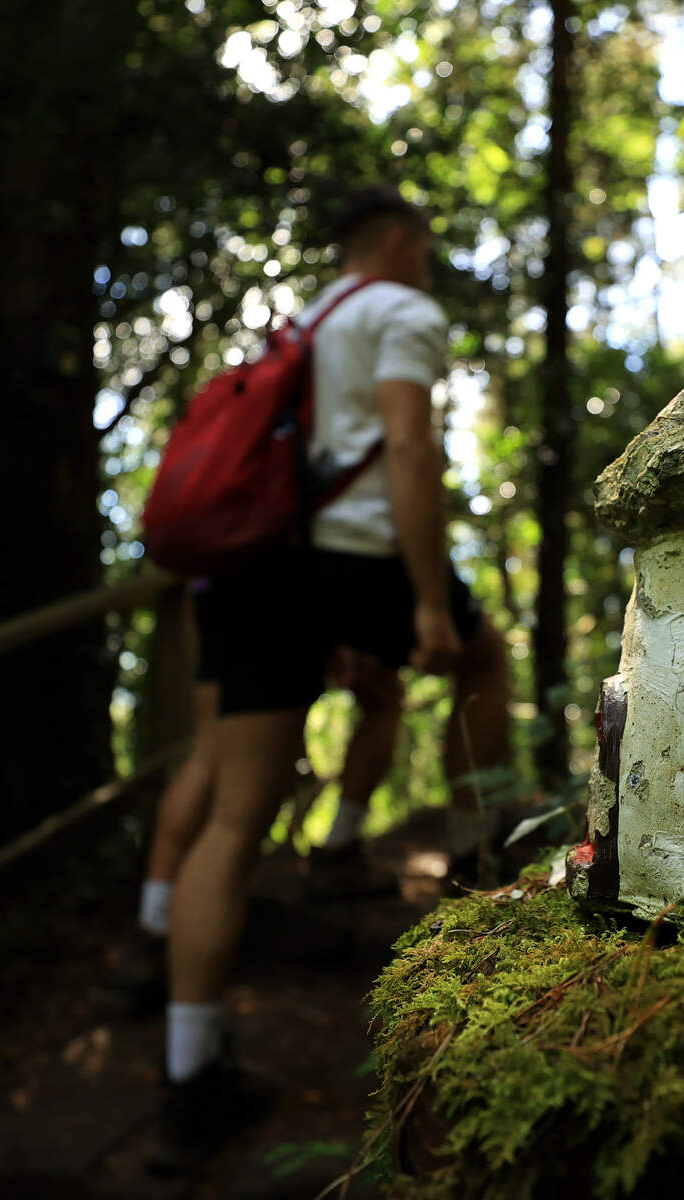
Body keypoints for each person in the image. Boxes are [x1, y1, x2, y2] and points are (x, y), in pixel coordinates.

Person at [148, 186, 514, 1173]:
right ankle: (481, 850)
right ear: (398, 241)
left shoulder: (303, 319)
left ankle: (190, 1077)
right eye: (428, 250)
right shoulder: (402, 310)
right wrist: (428, 599)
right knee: (486, 658)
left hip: (247, 567)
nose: (431, 268)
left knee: (234, 816)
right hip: (345, 562)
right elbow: (407, 443)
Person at [114, 580, 403, 1009]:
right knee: (233, 824)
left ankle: (154, 926)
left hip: (216, 586)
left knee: (208, 754)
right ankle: (191, 1056)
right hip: (278, 588)